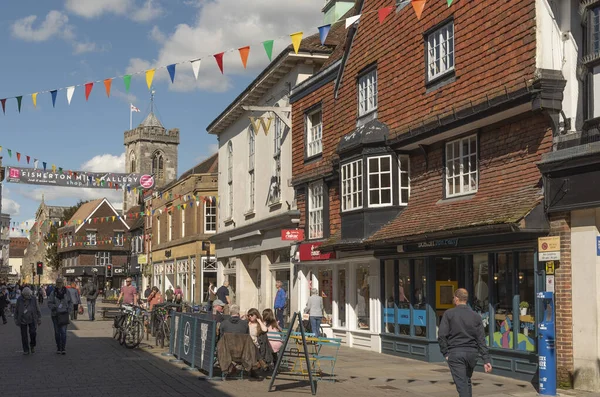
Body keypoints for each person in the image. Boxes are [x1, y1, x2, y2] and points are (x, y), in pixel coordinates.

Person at [438, 288, 492, 397]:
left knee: (461, 384)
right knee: (466, 381)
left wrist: (446, 353)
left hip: (456, 353)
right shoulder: (476, 316)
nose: (453, 299)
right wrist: (486, 359)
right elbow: (481, 339)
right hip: (472, 354)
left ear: (457, 299)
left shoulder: (449, 314)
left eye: (454, 297)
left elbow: (442, 335)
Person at [48, 278, 73, 354]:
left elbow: (70, 302)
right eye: (58, 282)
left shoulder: (67, 292)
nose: (59, 284)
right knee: (57, 332)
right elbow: (49, 303)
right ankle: (58, 347)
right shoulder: (53, 292)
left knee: (63, 332)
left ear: (63, 283)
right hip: (55, 315)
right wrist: (54, 307)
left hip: (64, 314)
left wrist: (68, 310)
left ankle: (63, 348)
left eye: (60, 282)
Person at [14, 287, 41, 355]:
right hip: (22, 319)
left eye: (28, 296)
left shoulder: (33, 298)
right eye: (25, 296)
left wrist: (39, 318)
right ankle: (26, 349)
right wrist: (16, 319)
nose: (26, 297)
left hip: (32, 319)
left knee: (33, 333)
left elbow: (38, 309)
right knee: (24, 335)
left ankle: (32, 345)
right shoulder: (19, 299)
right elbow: (16, 310)